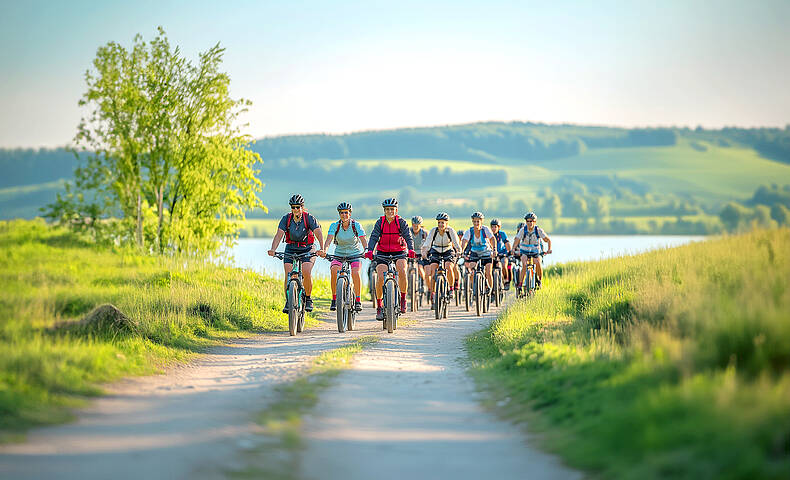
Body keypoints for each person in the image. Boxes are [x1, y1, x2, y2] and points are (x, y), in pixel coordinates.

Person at [268, 194, 324, 312]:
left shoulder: (309, 218)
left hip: (307, 248)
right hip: (291, 248)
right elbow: (279, 235)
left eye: (298, 207)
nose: (295, 210)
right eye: (293, 207)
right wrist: (273, 249)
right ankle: (289, 301)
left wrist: (322, 248)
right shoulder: (286, 219)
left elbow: (318, 233)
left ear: (302, 207)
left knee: (306, 270)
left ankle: (308, 298)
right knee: (288, 273)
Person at [364, 198, 415, 319]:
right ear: (384, 211)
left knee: (402, 271)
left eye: (392, 209)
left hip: (399, 251)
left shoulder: (401, 222)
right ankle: (380, 305)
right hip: (382, 252)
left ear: (396, 210)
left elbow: (408, 236)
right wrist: (370, 250)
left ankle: (403, 299)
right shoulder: (380, 222)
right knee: (381, 277)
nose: (390, 211)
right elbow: (374, 237)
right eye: (387, 209)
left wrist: (411, 249)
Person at [320, 202, 367, 312]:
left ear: (350, 214)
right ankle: (334, 298)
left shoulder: (356, 225)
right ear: (339, 214)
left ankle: (358, 300)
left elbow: (363, 240)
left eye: (346, 212)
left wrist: (366, 250)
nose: (344, 215)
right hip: (339, 254)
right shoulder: (335, 226)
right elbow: (328, 240)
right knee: (333, 270)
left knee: (355, 272)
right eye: (342, 213)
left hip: (355, 254)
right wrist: (325, 251)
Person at [421, 212, 462, 301]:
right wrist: (424, 252)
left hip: (448, 250)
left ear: (446, 223)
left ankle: (451, 289)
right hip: (436, 250)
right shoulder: (433, 231)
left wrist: (459, 251)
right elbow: (428, 242)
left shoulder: (450, 231)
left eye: (442, 222)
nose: (440, 224)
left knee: (448, 267)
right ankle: (433, 293)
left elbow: (456, 243)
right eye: (439, 222)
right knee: (433, 269)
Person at [511, 212, 553, 288]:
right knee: (524, 264)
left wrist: (549, 249)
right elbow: (517, 240)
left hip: (535, 251)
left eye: (531, 221)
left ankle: (539, 281)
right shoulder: (523, 230)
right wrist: (513, 249)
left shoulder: (538, 230)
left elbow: (548, 240)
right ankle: (520, 284)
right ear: (526, 222)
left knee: (538, 263)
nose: (529, 223)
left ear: (534, 222)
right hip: (525, 251)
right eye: (528, 221)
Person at [460, 211, 497, 294]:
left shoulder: (485, 229)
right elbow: (464, 241)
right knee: (472, 269)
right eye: (474, 221)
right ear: (472, 221)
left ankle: (490, 290)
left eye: (478, 221)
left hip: (486, 252)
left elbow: (492, 239)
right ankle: (475, 288)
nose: (476, 223)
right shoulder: (470, 231)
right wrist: (461, 251)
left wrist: (494, 249)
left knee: (488, 272)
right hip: (475, 253)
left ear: (481, 221)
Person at [489, 218, 512, 288]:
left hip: (502, 253)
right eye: (492, 227)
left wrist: (509, 251)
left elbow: (507, 243)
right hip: (492, 254)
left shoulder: (502, 234)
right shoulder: (489, 234)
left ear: (499, 227)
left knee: (504, 264)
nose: (493, 228)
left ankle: (506, 279)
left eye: (495, 227)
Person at [410, 216, 429, 295]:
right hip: (411, 253)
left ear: (420, 225)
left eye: (417, 225)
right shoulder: (408, 232)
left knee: (420, 268)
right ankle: (409, 285)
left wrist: (426, 253)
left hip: (421, 253)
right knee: (407, 268)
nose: (415, 226)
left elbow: (429, 244)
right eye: (414, 225)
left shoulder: (424, 233)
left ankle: (423, 283)